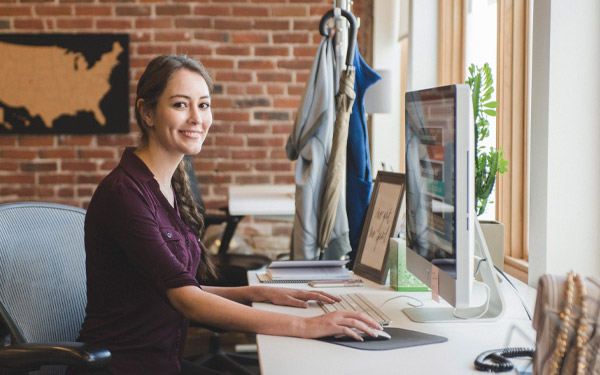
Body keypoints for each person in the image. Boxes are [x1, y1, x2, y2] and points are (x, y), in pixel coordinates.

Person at [73, 55, 381, 375]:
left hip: (161, 363)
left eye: (204, 105)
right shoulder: (125, 193)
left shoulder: (165, 186)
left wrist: (256, 292)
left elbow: (172, 288)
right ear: (147, 112)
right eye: (181, 105)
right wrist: (306, 326)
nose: (197, 118)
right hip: (123, 367)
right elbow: (186, 300)